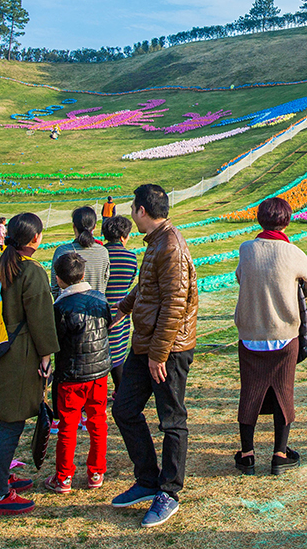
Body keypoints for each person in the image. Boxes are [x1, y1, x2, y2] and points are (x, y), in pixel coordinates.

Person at [111, 184, 198, 528]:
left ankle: (170, 491)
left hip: (168, 348)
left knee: (172, 419)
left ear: (141, 211)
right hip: (146, 343)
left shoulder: (171, 245)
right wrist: (123, 307)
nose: (132, 215)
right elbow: (148, 287)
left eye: (133, 208)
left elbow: (175, 304)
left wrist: (159, 355)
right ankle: (147, 478)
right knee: (124, 408)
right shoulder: (156, 242)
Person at [0, 212, 59, 516]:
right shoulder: (31, 271)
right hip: (17, 356)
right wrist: (47, 356)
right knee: (12, 423)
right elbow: (41, 317)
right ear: (35, 238)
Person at [232, 197, 307, 475]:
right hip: (284, 335)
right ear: (287, 220)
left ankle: (247, 454)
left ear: (260, 219)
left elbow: (240, 278)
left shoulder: (247, 250)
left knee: (249, 394)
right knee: (284, 393)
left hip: (251, 335)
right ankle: (280, 454)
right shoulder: (293, 252)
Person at [46, 251, 113, 493]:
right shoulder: (100, 299)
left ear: (58, 279)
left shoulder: (61, 306)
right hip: (99, 372)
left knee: (68, 425)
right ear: (83, 273)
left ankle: (63, 476)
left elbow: (56, 340)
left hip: (71, 374)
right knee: (98, 422)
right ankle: (96, 471)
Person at [102, 215, 139, 390]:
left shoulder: (101, 254)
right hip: (120, 312)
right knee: (118, 354)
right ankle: (120, 390)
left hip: (100, 312)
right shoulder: (130, 258)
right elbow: (131, 283)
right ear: (124, 236)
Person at [53, 207, 109, 294]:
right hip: (96, 303)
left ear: (74, 226)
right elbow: (104, 282)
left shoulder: (62, 251)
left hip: (68, 305)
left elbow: (55, 286)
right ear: (94, 227)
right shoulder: (102, 252)